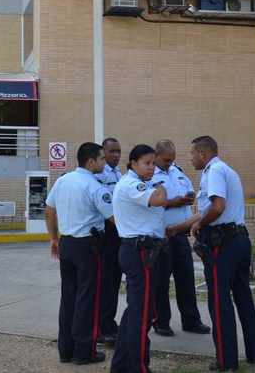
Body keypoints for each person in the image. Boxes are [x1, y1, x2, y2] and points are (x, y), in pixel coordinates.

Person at [168, 136, 255, 371]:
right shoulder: (227, 170)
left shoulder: (214, 172)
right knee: (243, 298)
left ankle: (226, 361)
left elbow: (217, 208)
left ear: (203, 153)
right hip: (238, 239)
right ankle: (253, 353)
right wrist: (180, 228)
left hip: (223, 244)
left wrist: (199, 226)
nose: (189, 159)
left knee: (219, 302)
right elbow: (206, 212)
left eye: (191, 154)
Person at [46, 142, 114, 366]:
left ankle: (66, 350)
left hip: (66, 245)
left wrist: (54, 239)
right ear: (91, 161)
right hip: (88, 248)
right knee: (88, 299)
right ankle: (85, 351)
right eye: (102, 159)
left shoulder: (63, 180)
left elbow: (49, 211)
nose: (105, 163)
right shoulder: (94, 186)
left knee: (68, 298)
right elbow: (114, 218)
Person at [109, 144, 167, 373]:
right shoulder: (132, 184)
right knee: (142, 314)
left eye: (154, 163)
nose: (152, 168)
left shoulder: (138, 183)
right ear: (133, 164)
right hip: (140, 252)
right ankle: (138, 368)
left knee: (135, 310)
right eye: (147, 163)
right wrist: (161, 188)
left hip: (143, 250)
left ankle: (121, 365)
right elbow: (158, 199)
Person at [152, 139, 210, 337]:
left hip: (181, 235)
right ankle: (161, 322)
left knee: (186, 279)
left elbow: (188, 188)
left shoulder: (177, 171)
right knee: (162, 281)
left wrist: (188, 197)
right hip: (163, 235)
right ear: (156, 155)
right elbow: (147, 203)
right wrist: (171, 202)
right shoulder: (149, 174)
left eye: (172, 159)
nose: (169, 162)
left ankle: (191, 320)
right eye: (166, 159)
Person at [95, 137, 124, 345]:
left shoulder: (118, 173)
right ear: (103, 153)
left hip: (118, 231)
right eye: (112, 151)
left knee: (115, 279)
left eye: (118, 151)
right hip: (106, 230)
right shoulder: (100, 174)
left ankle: (110, 320)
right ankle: (102, 325)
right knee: (105, 281)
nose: (116, 155)